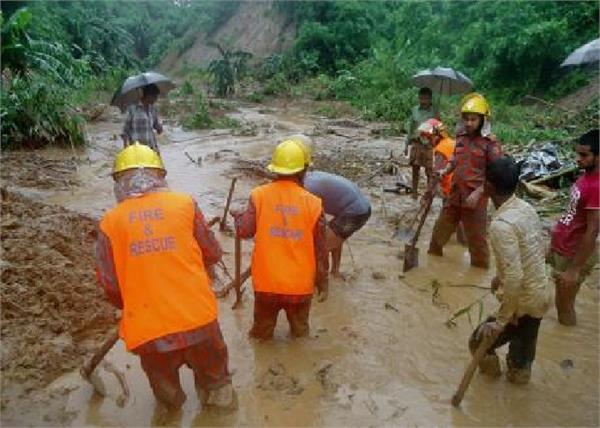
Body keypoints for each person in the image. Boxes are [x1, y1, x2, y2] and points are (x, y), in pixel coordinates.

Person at [95, 143, 235, 414]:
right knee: (220, 391)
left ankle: (171, 408)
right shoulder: (185, 204)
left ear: (119, 182)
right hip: (200, 322)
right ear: (160, 176)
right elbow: (212, 253)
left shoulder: (109, 223)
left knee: (167, 402)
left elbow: (111, 287)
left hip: (150, 334)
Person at [232, 139, 329, 340]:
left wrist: (238, 217)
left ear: (274, 169)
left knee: (260, 337)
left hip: (267, 285)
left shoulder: (258, 196)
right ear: (303, 171)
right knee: (300, 336)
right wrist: (322, 281)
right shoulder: (314, 204)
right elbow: (321, 251)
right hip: (299, 287)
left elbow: (244, 231)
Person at [468, 156, 550, 384]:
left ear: (488, 186)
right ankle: (517, 395)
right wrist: (499, 276)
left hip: (522, 302)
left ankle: (490, 384)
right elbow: (537, 250)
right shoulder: (526, 208)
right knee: (521, 358)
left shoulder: (500, 225)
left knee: (477, 342)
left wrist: (502, 320)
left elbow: (514, 278)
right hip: (540, 295)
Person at [428, 93, 503, 268]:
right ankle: (432, 265)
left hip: (476, 200)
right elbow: (455, 160)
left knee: (477, 242)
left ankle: (479, 272)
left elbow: (496, 174)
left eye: (473, 119)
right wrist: (444, 171)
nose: (469, 123)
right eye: (466, 119)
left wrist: (479, 193)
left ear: (482, 120)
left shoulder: (490, 144)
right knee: (438, 234)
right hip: (455, 195)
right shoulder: (460, 137)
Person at [290, 135, 371, 278]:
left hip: (355, 211)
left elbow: (309, 222)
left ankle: (318, 281)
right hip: (358, 207)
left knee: (320, 248)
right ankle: (335, 271)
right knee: (334, 234)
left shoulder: (306, 189)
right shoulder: (309, 178)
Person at [548, 129, 599, 326]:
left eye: (584, 155)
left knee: (564, 304)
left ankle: (566, 341)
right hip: (564, 247)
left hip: (573, 254)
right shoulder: (586, 177)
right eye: (578, 154)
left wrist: (574, 269)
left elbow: (593, 230)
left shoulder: (596, 186)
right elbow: (571, 214)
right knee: (560, 298)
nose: (578, 159)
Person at [418, 119, 467, 245]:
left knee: (454, 217)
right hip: (462, 185)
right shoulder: (451, 142)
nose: (427, 141)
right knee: (457, 217)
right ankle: (459, 242)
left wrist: (426, 195)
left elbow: (436, 175)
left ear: (435, 136)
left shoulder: (441, 150)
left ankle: (462, 244)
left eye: (428, 138)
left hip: (452, 188)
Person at [404, 87, 440, 199]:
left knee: (429, 170)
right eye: (421, 98)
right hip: (416, 142)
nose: (423, 100)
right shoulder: (414, 110)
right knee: (415, 168)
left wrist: (437, 139)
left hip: (428, 144)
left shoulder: (435, 111)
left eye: (426, 98)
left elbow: (439, 128)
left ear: (430, 99)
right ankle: (414, 193)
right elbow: (411, 128)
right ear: (419, 98)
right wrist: (406, 144)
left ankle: (428, 194)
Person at [122, 83, 164, 152]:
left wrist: (159, 128)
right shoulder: (132, 109)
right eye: (155, 96)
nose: (156, 99)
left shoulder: (153, 109)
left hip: (151, 148)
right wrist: (126, 148)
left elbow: (156, 127)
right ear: (148, 95)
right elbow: (124, 131)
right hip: (137, 150)